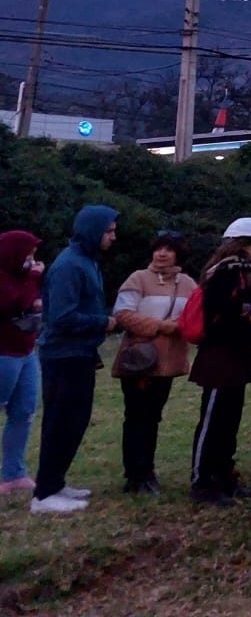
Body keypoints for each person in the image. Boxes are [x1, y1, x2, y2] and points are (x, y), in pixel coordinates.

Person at [31, 204, 118, 515]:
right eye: (109, 231)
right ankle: (43, 495)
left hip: (80, 353)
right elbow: (62, 317)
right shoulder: (70, 266)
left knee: (75, 421)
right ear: (93, 231)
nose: (113, 237)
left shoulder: (87, 261)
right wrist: (102, 322)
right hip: (63, 355)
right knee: (60, 421)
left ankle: (56, 483)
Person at [188, 216, 251, 506]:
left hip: (237, 354)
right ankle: (202, 481)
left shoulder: (243, 272)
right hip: (220, 353)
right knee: (213, 419)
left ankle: (223, 475)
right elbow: (220, 309)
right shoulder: (224, 272)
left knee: (229, 419)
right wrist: (248, 311)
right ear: (247, 243)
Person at [112, 230, 197, 494]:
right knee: (137, 416)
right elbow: (123, 314)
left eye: (168, 249)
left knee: (153, 417)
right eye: (158, 248)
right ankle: (135, 475)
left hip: (167, 363)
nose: (161, 254)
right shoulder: (138, 278)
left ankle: (147, 471)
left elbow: (195, 316)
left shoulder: (188, 284)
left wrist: (181, 327)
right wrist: (161, 326)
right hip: (138, 360)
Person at [0, 230, 44, 496]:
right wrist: (34, 277)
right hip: (3, 351)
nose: (32, 260)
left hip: (27, 350)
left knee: (24, 411)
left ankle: (13, 473)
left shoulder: (23, 277)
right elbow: (13, 303)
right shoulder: (6, 279)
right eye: (28, 254)